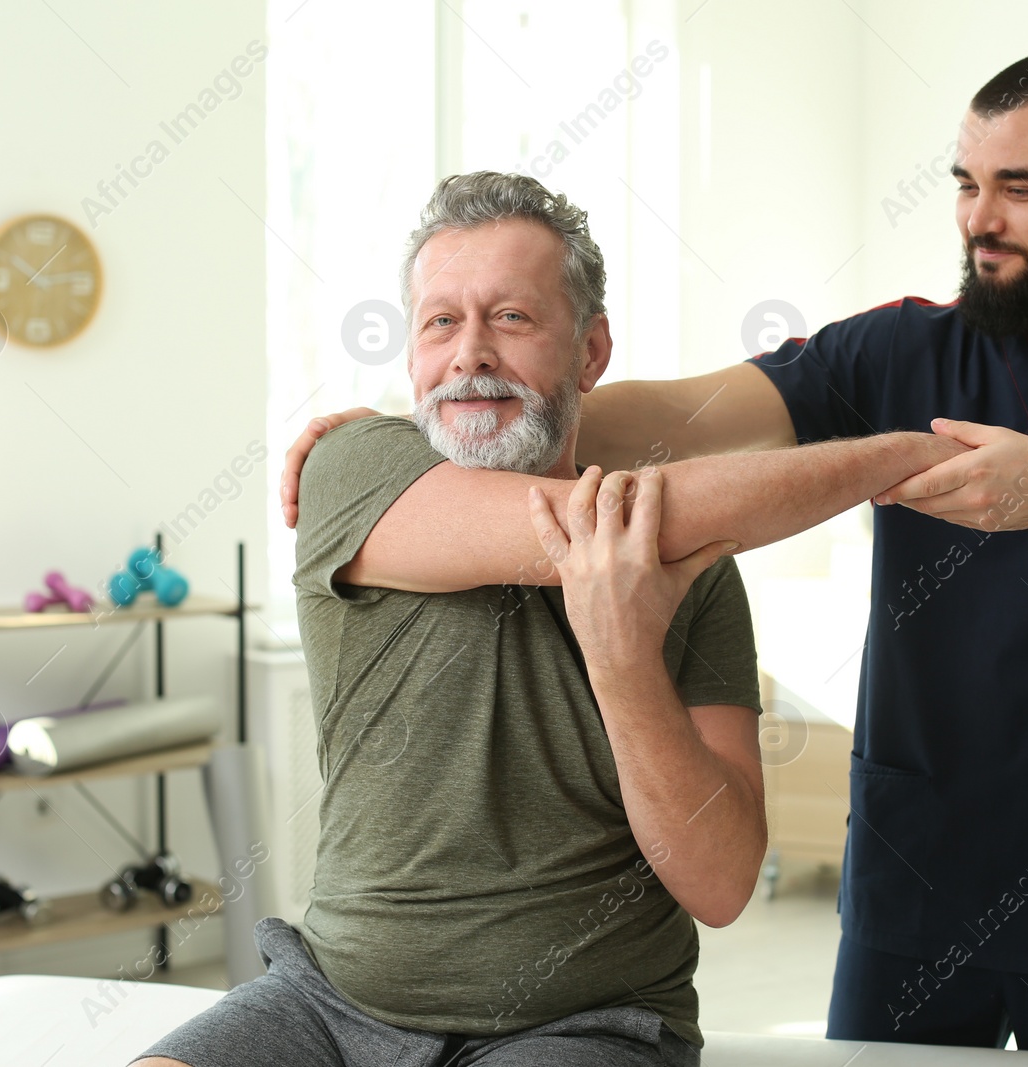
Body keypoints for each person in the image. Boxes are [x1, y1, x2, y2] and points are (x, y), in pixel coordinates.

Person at [279, 55, 1028, 1062]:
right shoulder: (898, 347)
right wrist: (384, 434)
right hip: (918, 880)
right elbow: (654, 413)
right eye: (963, 183)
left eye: (1020, 189)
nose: (978, 220)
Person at [140, 171, 960, 1067]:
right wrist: (903, 458)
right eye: (440, 322)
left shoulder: (702, 580)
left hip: (586, 1024)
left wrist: (622, 660)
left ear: (591, 350)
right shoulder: (350, 466)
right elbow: (635, 518)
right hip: (329, 1002)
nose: (470, 355)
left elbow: (723, 884)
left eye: (513, 318)